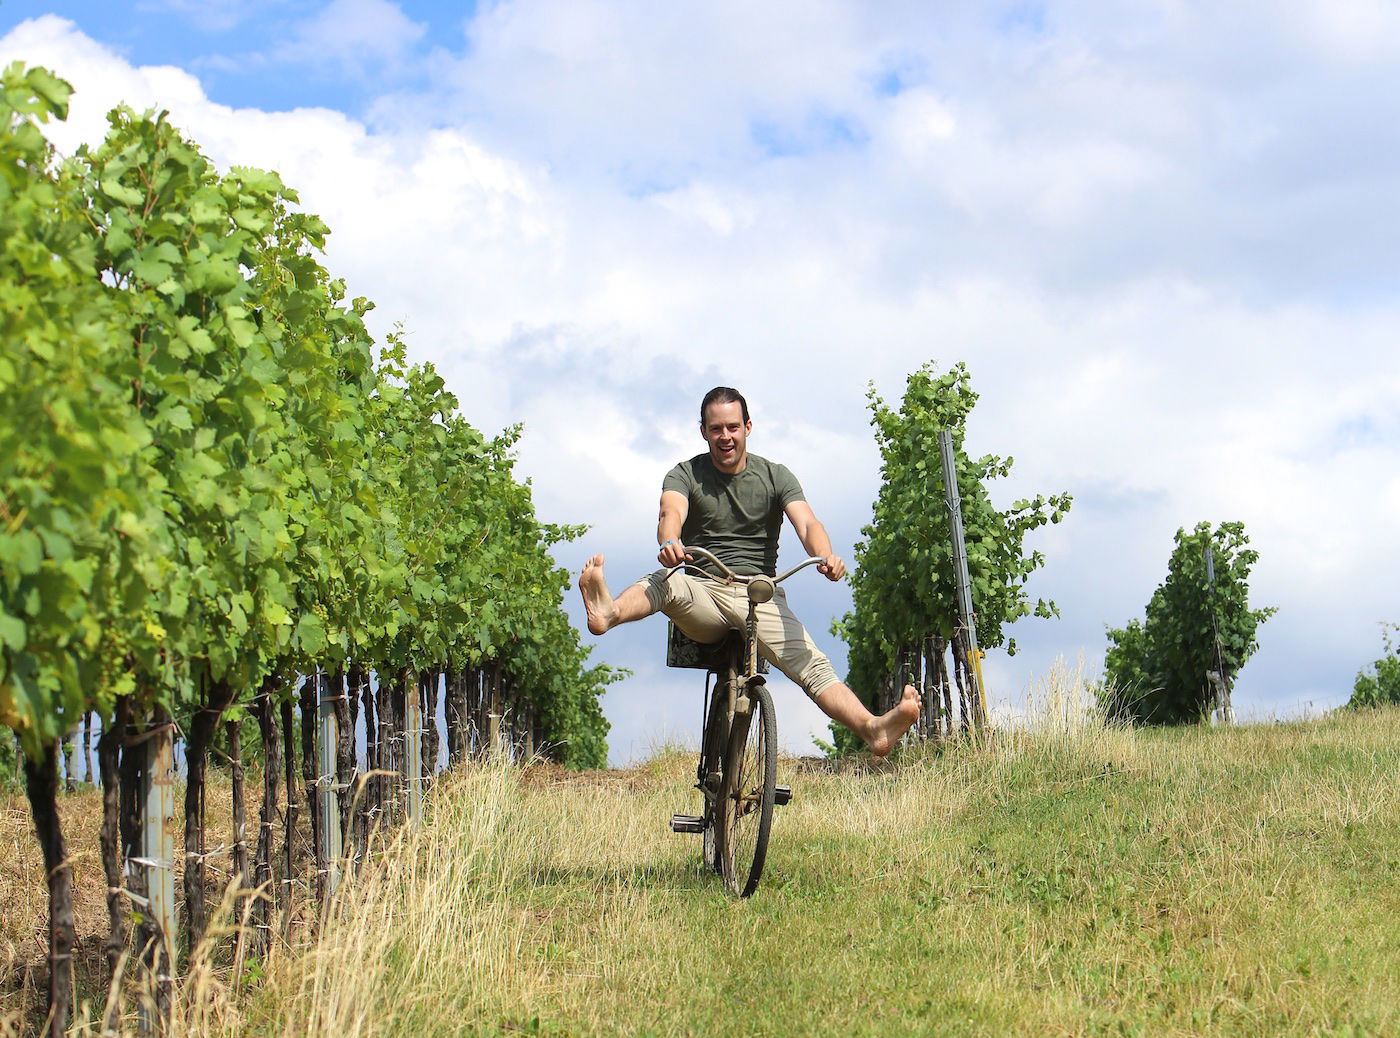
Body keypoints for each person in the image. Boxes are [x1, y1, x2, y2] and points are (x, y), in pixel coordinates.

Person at [578, 386, 921, 757]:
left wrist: (825, 555)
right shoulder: (685, 474)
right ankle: (608, 612)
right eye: (715, 429)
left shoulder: (775, 476)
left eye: (732, 427)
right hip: (704, 590)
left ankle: (874, 729)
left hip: (759, 593)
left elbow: (806, 523)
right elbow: (670, 513)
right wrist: (669, 541)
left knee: (812, 664)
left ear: (747, 427)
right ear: (703, 431)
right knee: (669, 582)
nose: (725, 436)